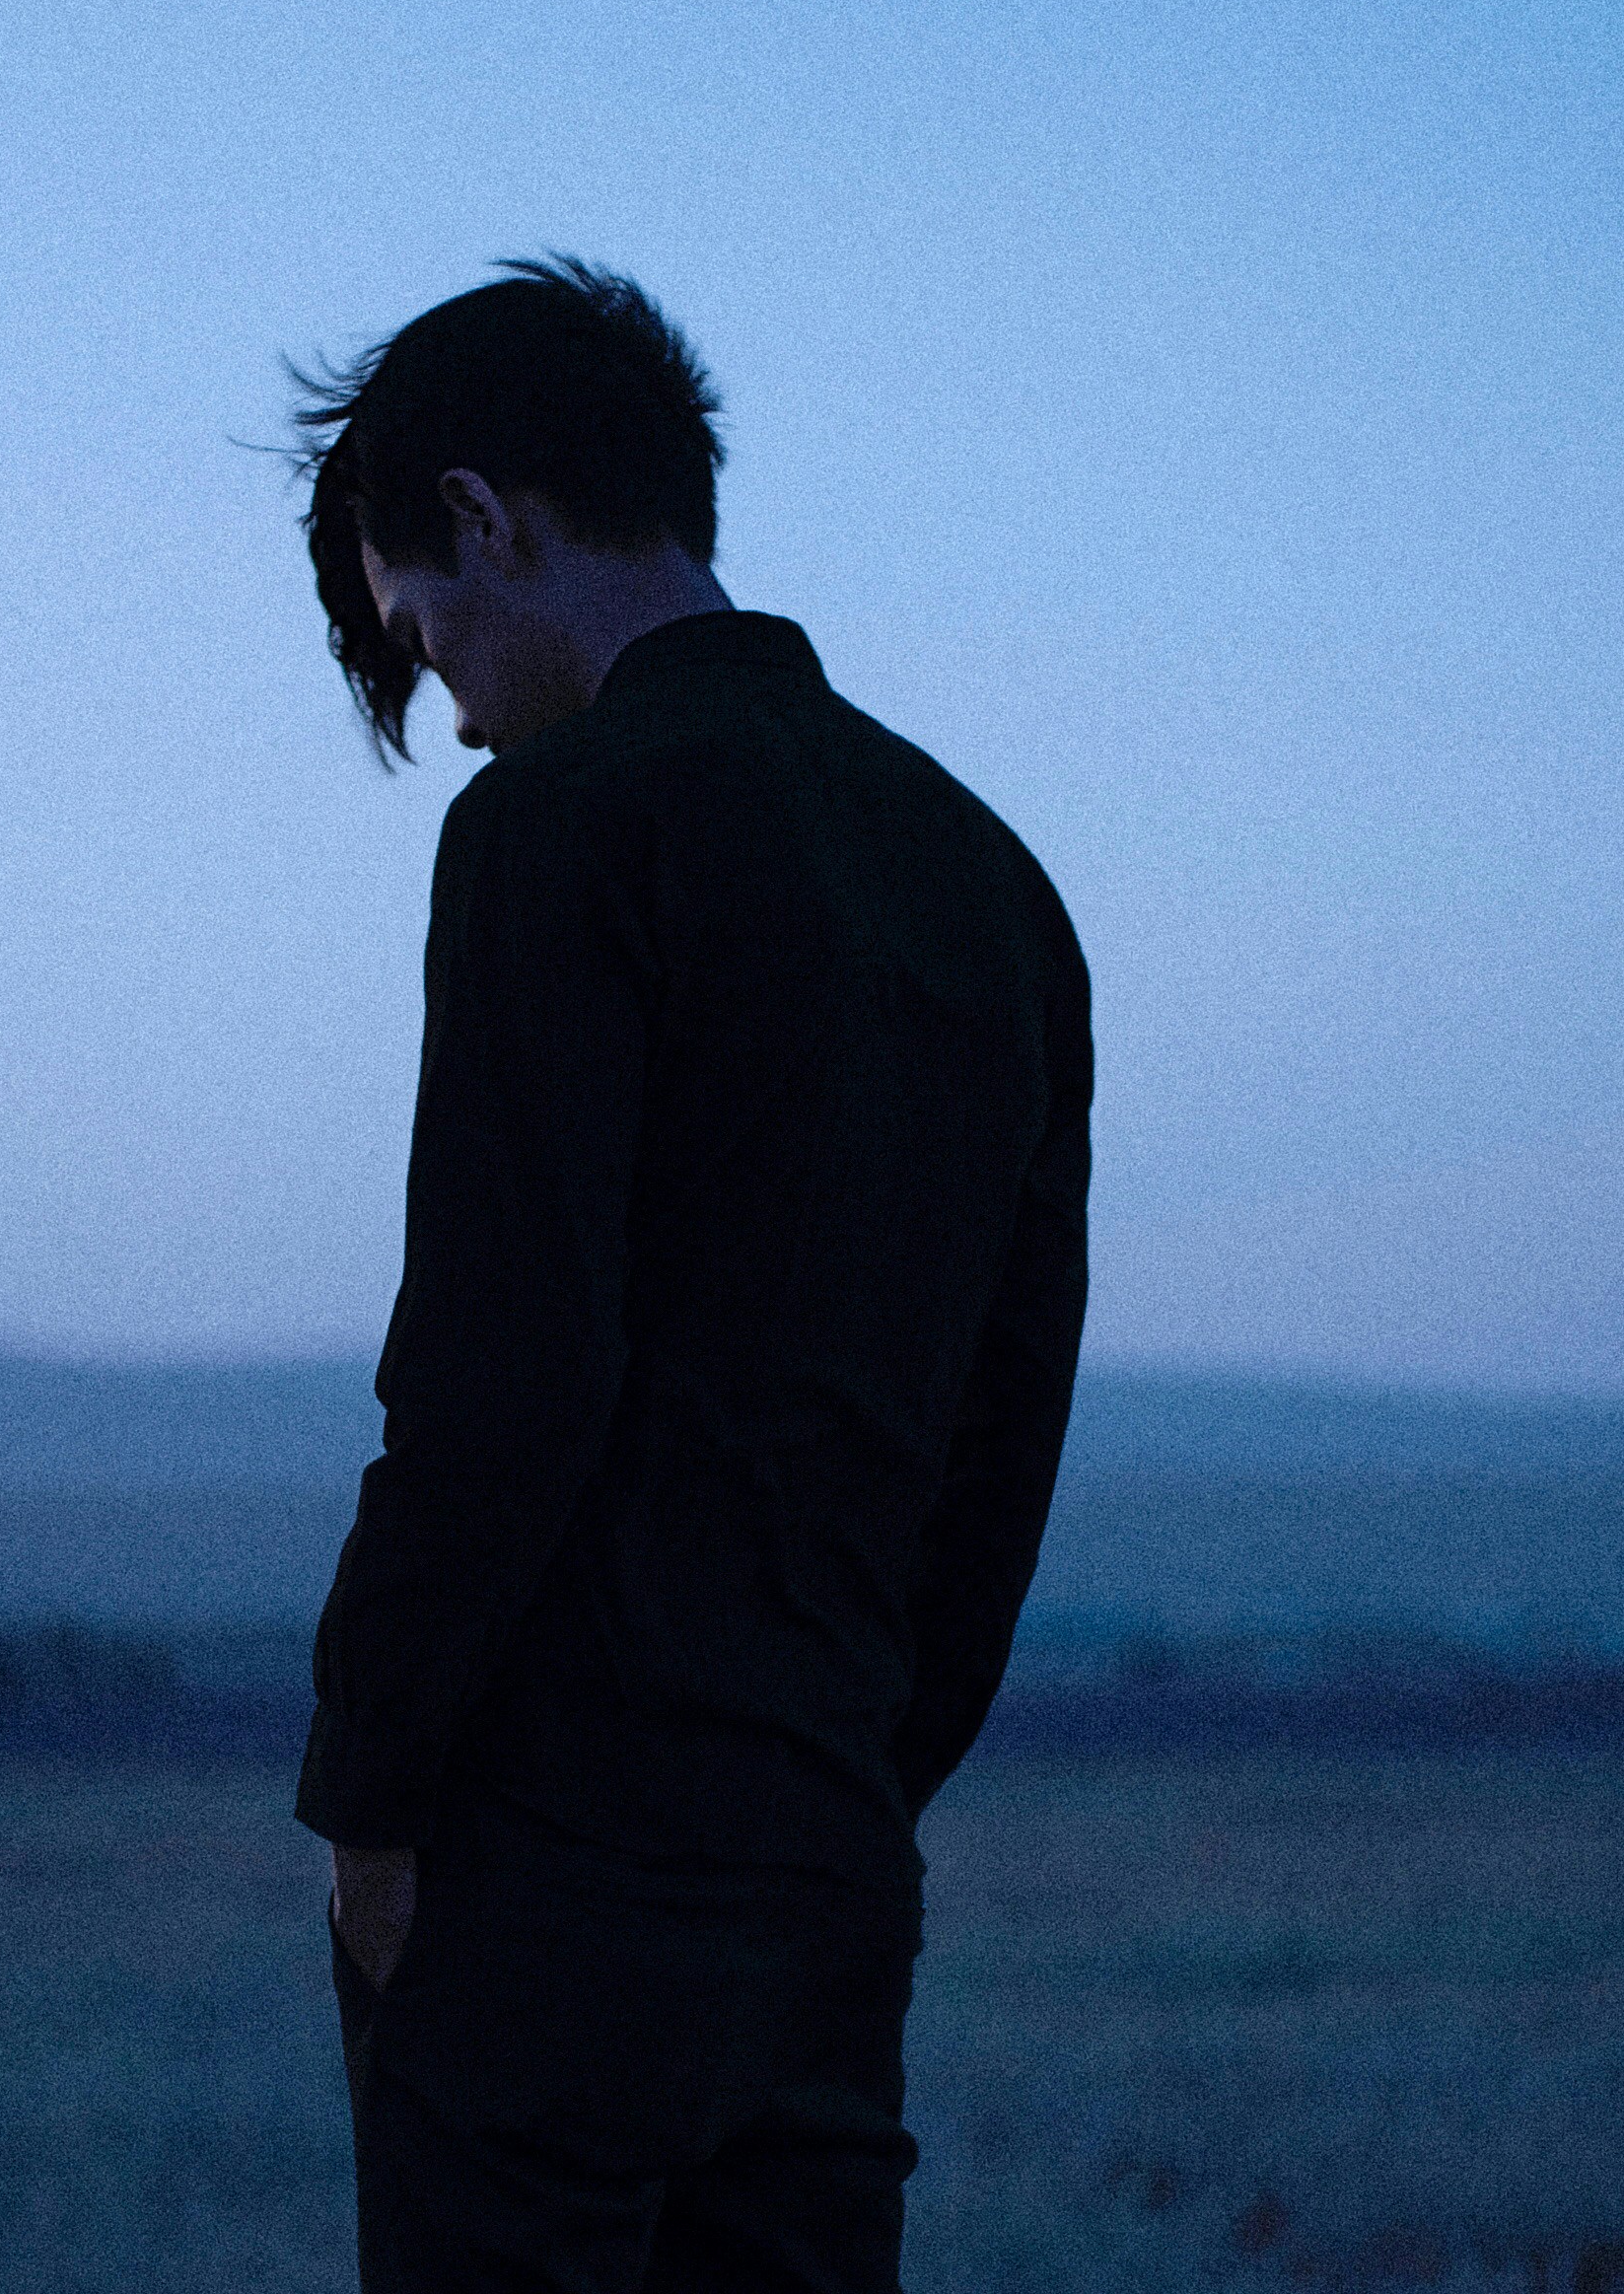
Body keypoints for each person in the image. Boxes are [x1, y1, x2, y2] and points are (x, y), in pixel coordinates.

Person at [288, 257, 1091, 2293]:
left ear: (485, 515)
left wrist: (369, 1809)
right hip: (824, 1867)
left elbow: (495, 1383)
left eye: (425, 629)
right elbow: (1002, 1445)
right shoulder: (993, 885)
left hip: (551, 1868)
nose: (452, 702)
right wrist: (844, 1788)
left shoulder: (560, 832)